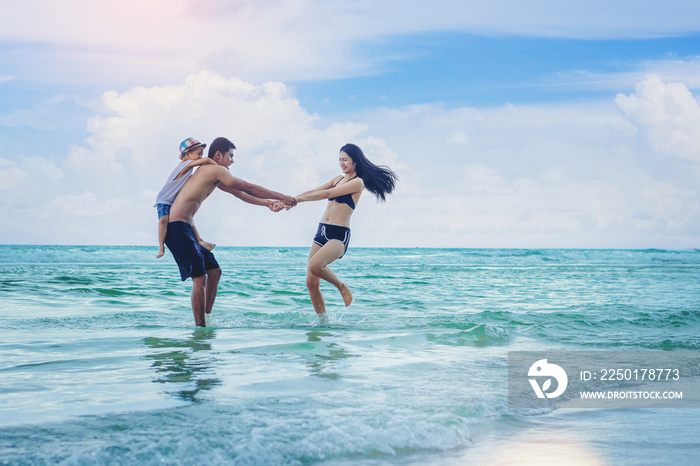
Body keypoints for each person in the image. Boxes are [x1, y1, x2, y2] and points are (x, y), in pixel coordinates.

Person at [165, 136, 297, 327]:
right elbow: (246, 187)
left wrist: (268, 204)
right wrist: (281, 195)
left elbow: (240, 194)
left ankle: (207, 317)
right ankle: (200, 329)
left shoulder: (213, 174)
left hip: (186, 228)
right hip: (175, 228)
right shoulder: (213, 169)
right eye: (230, 156)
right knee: (200, 277)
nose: (232, 161)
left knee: (214, 271)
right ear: (218, 155)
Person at [289, 143, 398, 317]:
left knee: (315, 265)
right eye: (339, 159)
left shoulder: (357, 183)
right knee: (311, 282)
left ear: (355, 162)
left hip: (338, 235)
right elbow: (316, 191)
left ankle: (342, 285)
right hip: (321, 231)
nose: (341, 163)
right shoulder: (337, 179)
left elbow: (326, 195)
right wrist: (290, 200)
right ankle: (323, 323)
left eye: (345, 159)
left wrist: (296, 201)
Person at [154, 138, 217, 258]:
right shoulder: (184, 164)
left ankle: (200, 240)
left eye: (201, 154)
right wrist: (219, 168)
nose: (200, 157)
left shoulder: (189, 166)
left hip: (174, 199)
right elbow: (207, 160)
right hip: (164, 199)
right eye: (199, 154)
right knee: (163, 221)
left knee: (188, 217)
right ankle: (161, 247)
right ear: (187, 154)